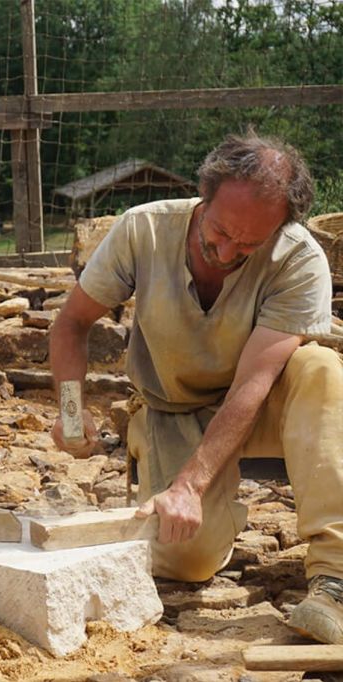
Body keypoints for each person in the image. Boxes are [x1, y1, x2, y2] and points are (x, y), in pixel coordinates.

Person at [48, 131, 343, 644]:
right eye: (219, 230)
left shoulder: (299, 259)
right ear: (203, 195)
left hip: (262, 401)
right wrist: (72, 414)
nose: (227, 251)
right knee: (188, 558)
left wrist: (189, 485)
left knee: (320, 369)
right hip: (174, 408)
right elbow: (71, 323)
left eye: (249, 244)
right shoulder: (144, 229)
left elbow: (254, 381)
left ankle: (336, 578)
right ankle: (210, 517)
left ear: (281, 227)